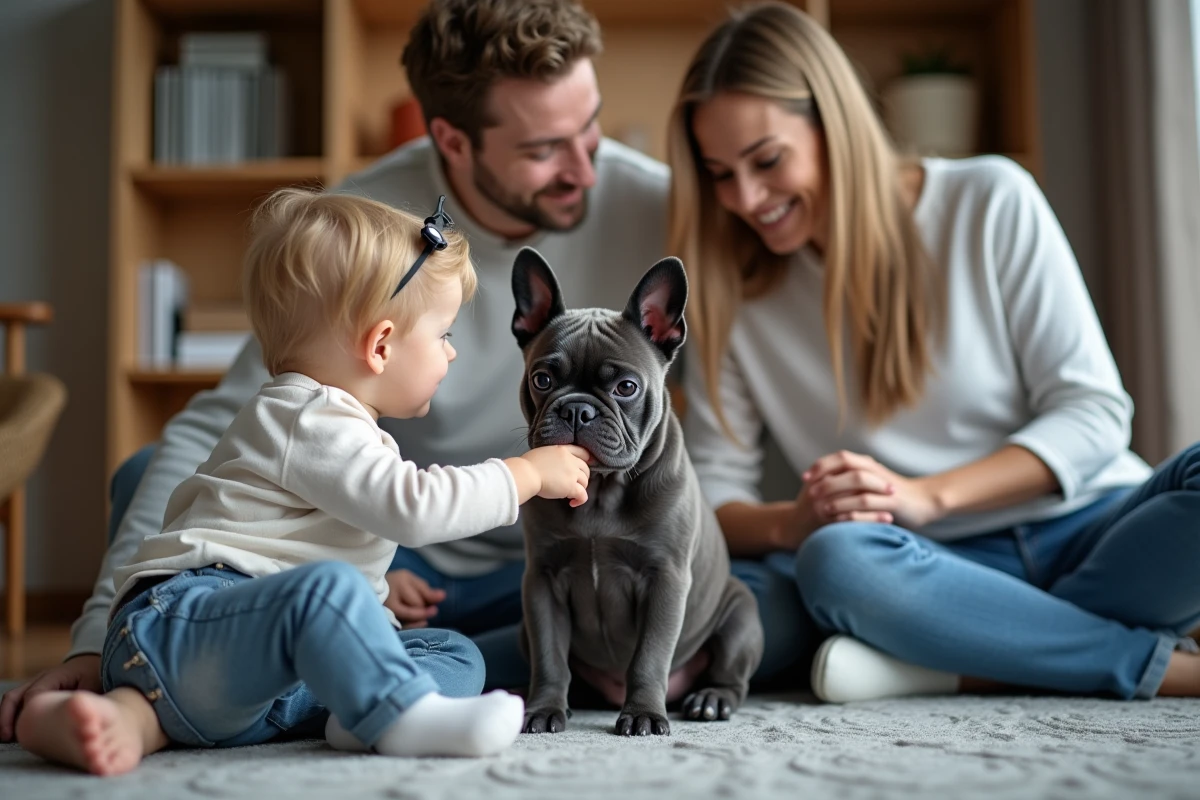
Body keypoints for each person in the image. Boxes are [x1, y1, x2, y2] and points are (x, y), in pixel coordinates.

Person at [0, 0, 811, 743]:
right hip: (401, 546)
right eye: (544, 149)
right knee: (149, 476)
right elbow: (224, 426)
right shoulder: (367, 231)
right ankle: (225, 664)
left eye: (591, 128)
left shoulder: (664, 204)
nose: (588, 170)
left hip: (551, 561)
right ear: (452, 142)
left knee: (773, 598)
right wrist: (97, 630)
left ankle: (362, 676)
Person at [669, 0, 1200, 704]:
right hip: (921, 568)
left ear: (835, 125)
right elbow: (711, 498)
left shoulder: (988, 200)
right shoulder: (734, 293)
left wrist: (926, 495)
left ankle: (970, 658)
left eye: (767, 161)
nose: (746, 197)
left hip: (1088, 528)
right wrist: (794, 522)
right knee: (832, 560)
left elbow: (1094, 414)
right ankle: (1160, 667)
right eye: (719, 173)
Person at [15, 188, 599, 775]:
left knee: (451, 652)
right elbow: (413, 507)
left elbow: (314, 536)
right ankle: (392, 714)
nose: (450, 354)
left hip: (229, 686)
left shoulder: (341, 429)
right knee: (327, 592)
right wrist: (525, 473)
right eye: (443, 335)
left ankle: (129, 719)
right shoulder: (306, 414)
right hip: (190, 618)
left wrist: (375, 589)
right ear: (381, 345)